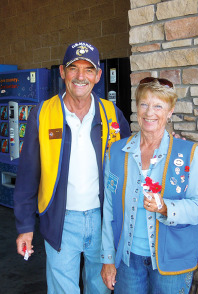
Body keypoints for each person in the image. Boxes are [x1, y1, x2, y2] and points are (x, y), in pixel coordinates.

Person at [14, 41, 131, 294]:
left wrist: (169, 145)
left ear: (98, 75)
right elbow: (27, 176)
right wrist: (24, 227)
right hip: (61, 220)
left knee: (99, 288)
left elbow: (132, 156)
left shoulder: (112, 114)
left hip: (103, 220)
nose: (80, 76)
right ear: (61, 72)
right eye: (73, 68)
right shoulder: (42, 114)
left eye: (88, 69)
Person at [100, 77, 198, 294]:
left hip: (172, 262)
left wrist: (165, 208)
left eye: (158, 106)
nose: (149, 112)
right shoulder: (116, 152)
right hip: (127, 261)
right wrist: (107, 258)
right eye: (144, 104)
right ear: (136, 107)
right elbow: (109, 209)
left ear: (170, 111)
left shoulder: (188, 152)